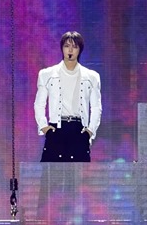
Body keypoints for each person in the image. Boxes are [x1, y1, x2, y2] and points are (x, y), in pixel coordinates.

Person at [34, 31, 102, 162]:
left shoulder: (92, 77)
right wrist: (44, 127)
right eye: (67, 46)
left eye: (74, 47)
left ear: (80, 50)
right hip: (56, 129)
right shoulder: (47, 74)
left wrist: (90, 131)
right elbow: (39, 104)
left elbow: (96, 107)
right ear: (62, 48)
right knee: (51, 172)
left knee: (77, 172)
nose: (70, 50)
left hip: (79, 130)